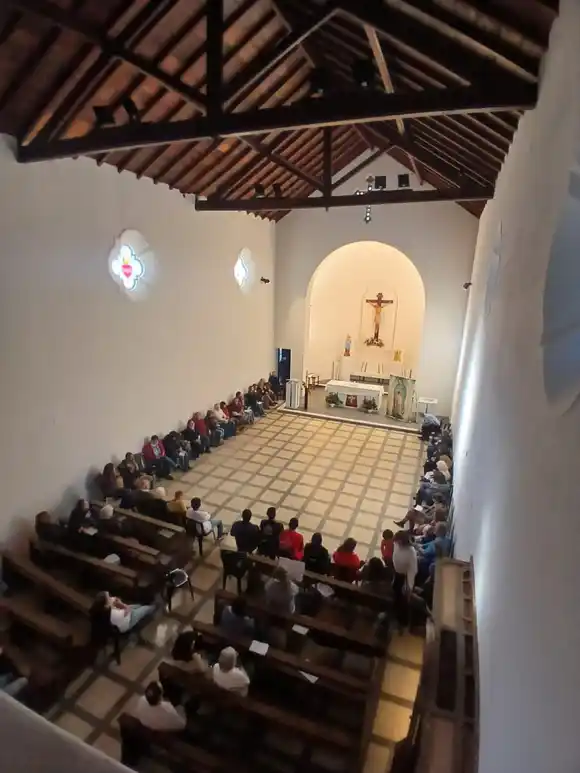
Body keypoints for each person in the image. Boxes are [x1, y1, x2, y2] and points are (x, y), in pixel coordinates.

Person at [90, 591, 156, 636]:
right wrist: (120, 603)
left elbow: (114, 605)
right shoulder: (114, 613)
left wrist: (116, 603)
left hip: (121, 616)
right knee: (145, 609)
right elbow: (128, 610)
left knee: (137, 606)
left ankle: (143, 606)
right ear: (106, 605)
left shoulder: (102, 609)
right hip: (128, 620)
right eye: (109, 598)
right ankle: (154, 607)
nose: (111, 598)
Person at [392, 531, 418, 631]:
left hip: (404, 577)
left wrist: (409, 585)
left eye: (399, 542)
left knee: (402, 599)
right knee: (395, 592)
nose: (397, 544)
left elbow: (413, 569)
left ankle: (402, 622)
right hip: (396, 572)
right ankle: (394, 610)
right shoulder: (396, 544)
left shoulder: (411, 552)